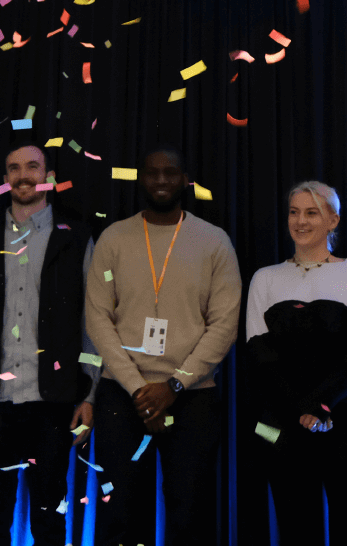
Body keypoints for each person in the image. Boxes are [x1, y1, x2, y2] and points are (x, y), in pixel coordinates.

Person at [85, 146, 242, 546]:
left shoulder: (214, 241)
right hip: (123, 398)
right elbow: (98, 319)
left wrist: (173, 387)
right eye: (152, 173)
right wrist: (140, 388)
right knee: (119, 515)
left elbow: (224, 325)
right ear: (140, 179)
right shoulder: (113, 238)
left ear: (185, 180)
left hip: (192, 400)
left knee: (189, 516)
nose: (160, 181)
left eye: (169, 173)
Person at [0, 142, 99, 546]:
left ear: (48, 176)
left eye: (33, 166)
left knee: (50, 521)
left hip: (52, 403)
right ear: (4, 180)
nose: (24, 175)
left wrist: (90, 392)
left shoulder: (76, 239)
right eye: (14, 168)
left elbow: (92, 323)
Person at [244, 180, 347, 546]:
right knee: (293, 530)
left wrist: (320, 405)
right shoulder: (265, 279)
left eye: (312, 213)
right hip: (279, 426)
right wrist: (304, 408)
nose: (300, 221)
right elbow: (259, 355)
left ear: (334, 220)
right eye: (294, 212)